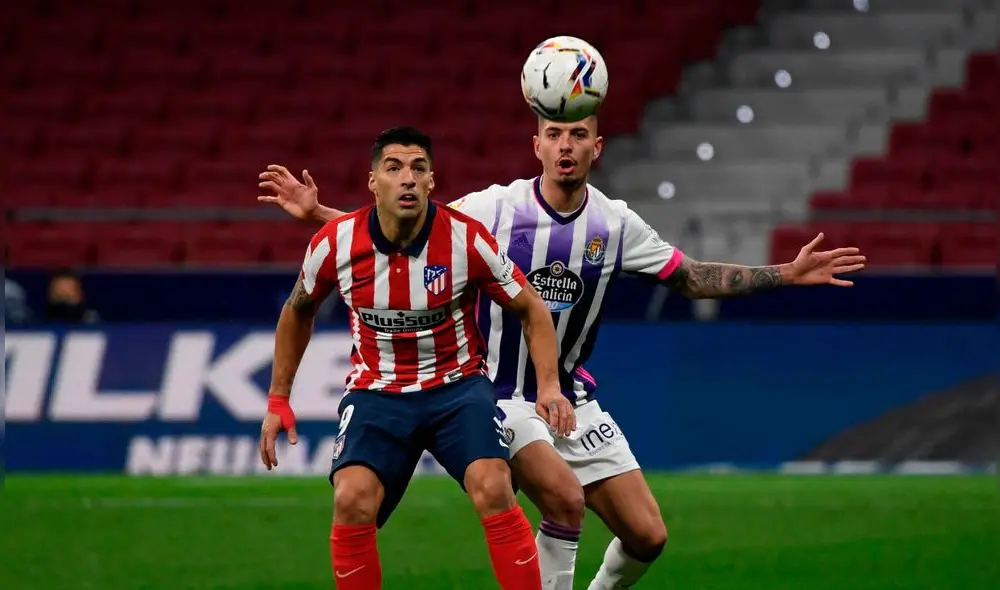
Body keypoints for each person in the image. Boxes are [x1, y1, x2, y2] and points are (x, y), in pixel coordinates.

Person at [259, 116, 866, 590]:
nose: (566, 145)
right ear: (538, 146)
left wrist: (783, 274)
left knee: (648, 536)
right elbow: (400, 234)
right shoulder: (495, 208)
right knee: (559, 499)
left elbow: (690, 276)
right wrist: (319, 216)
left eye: (578, 134)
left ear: (597, 148)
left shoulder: (616, 223)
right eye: (555, 134)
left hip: (569, 395)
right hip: (499, 390)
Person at [258, 126, 576, 590]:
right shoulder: (334, 243)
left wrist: (548, 386)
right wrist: (277, 398)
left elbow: (530, 306)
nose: (407, 178)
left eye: (418, 168)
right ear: (373, 182)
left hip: (457, 389)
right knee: (351, 499)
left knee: (493, 485)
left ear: (431, 182)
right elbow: (297, 309)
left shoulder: (467, 240)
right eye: (393, 168)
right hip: (377, 393)